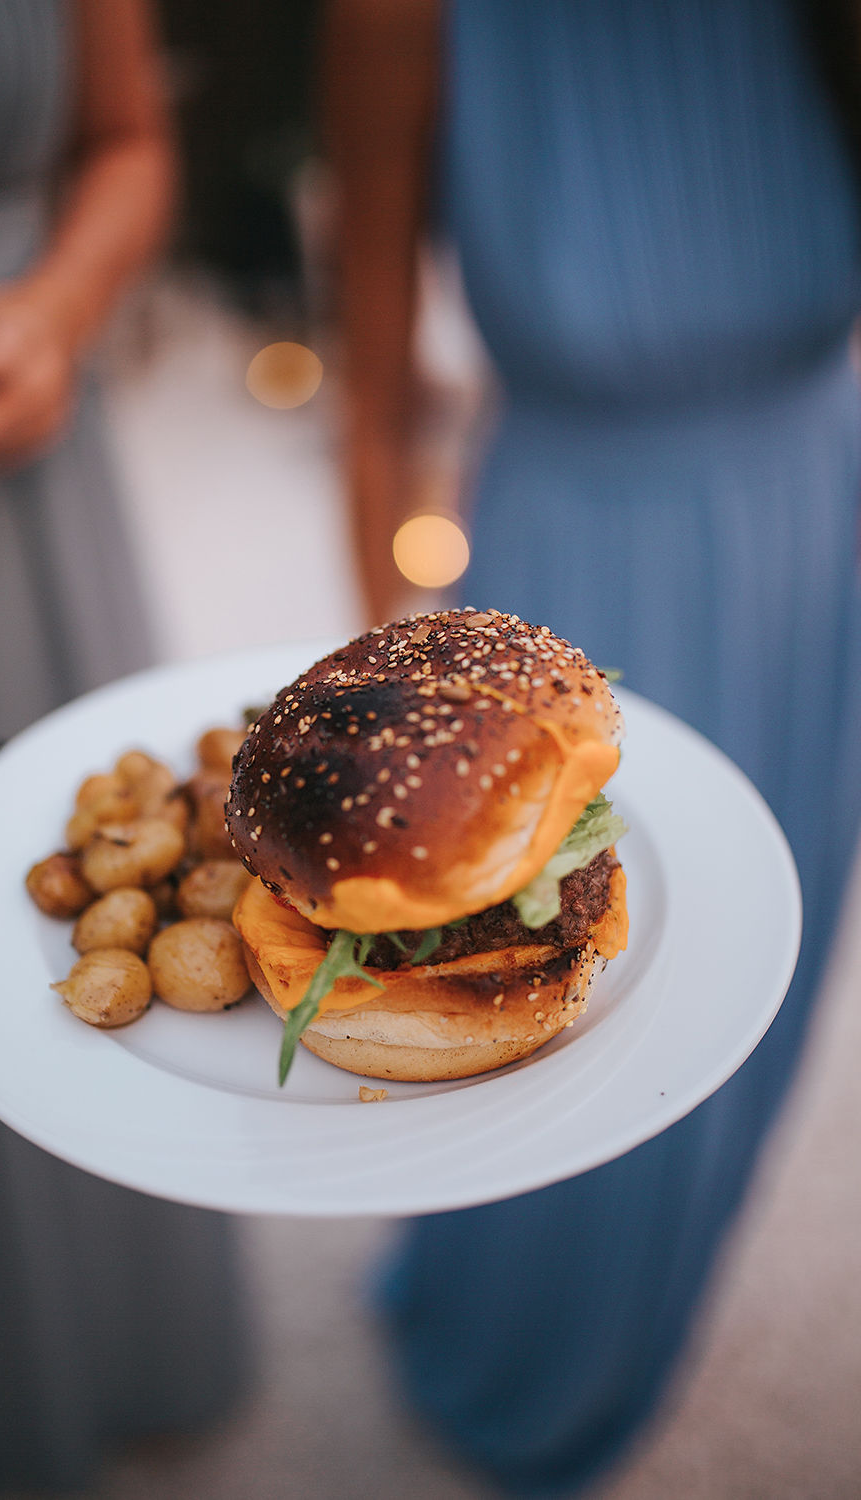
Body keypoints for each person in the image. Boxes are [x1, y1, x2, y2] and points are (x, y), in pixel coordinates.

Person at [326, 1, 861, 1494]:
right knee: (541, 1017)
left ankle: (641, 1318)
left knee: (754, 1012)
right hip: (580, 571)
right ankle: (515, 1353)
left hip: (822, 534)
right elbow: (370, 380)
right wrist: (378, 691)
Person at [0, 5, 247, 1496]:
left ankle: (139, 1341)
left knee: (132, 905)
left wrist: (65, 311)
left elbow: (130, 139)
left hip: (32, 429)